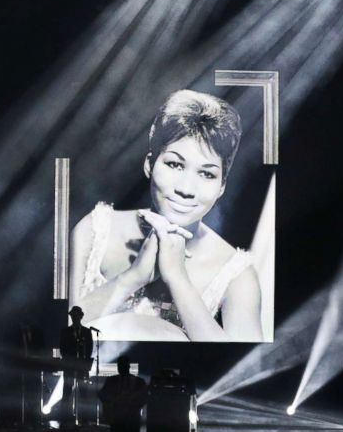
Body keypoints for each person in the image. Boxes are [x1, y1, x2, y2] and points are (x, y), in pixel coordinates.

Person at [69, 89, 263, 342]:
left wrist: (177, 277)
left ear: (222, 187)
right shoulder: (95, 230)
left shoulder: (238, 275)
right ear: (150, 164)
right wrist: (134, 276)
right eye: (175, 164)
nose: (186, 189)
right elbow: (65, 336)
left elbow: (239, 366)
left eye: (206, 174)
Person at [97, 356, 147, 432]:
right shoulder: (114, 381)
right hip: (119, 421)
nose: (121, 368)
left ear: (127, 366)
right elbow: (102, 395)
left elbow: (144, 398)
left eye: (122, 366)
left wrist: (127, 404)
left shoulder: (138, 382)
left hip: (128, 421)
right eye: (120, 366)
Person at [59, 306, 94, 421]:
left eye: (77, 315)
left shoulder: (87, 332)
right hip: (69, 365)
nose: (75, 318)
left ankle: (84, 418)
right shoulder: (65, 331)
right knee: (67, 391)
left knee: (83, 392)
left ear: (81, 316)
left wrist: (85, 361)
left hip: (82, 366)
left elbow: (90, 348)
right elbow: (62, 349)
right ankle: (65, 417)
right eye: (73, 316)